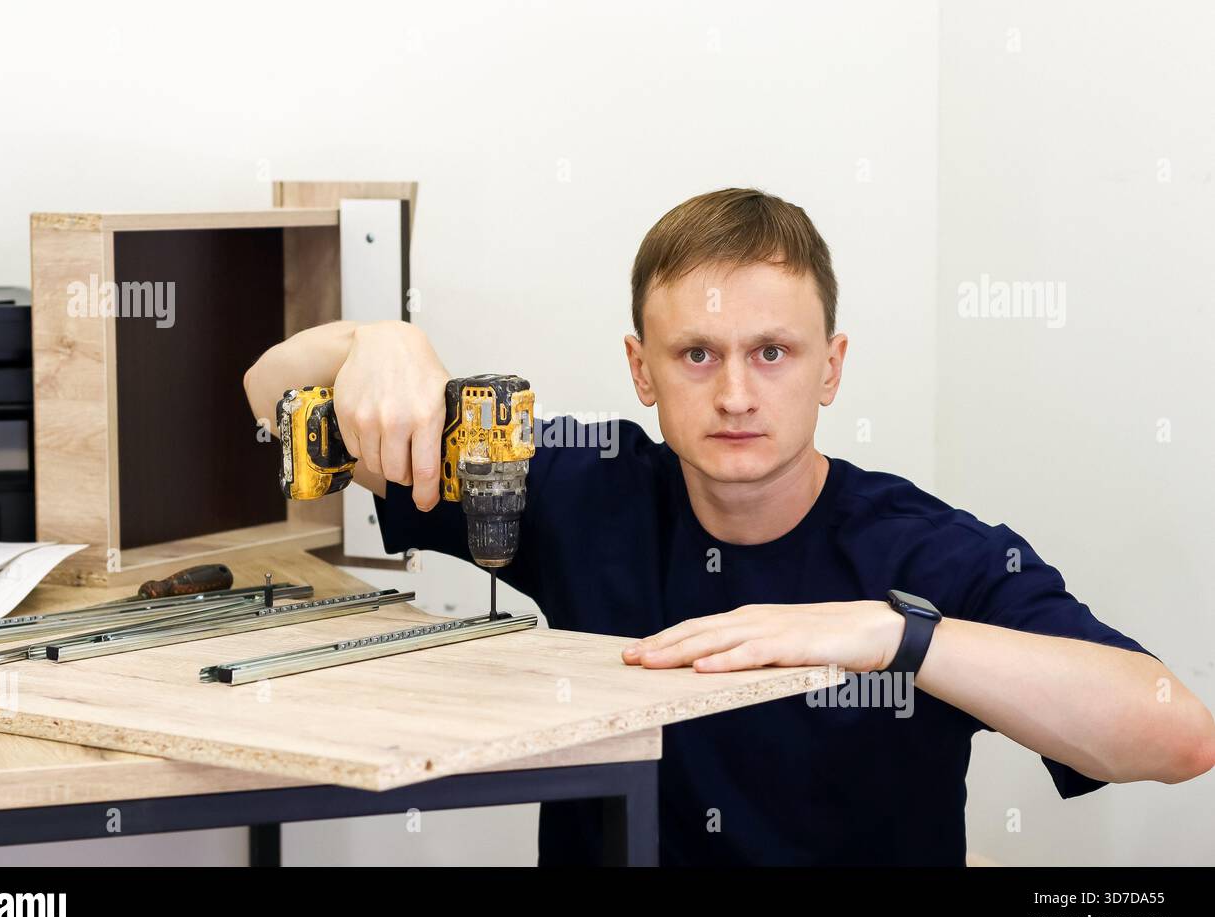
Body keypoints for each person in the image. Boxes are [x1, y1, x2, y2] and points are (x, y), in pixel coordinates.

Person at [244, 187, 1215, 865]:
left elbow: (1175, 734)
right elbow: (265, 391)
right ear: (640, 369)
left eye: (773, 351)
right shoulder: (581, 488)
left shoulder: (927, 551)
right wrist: (376, 342)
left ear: (830, 367)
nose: (737, 392)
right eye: (697, 354)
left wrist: (898, 635)